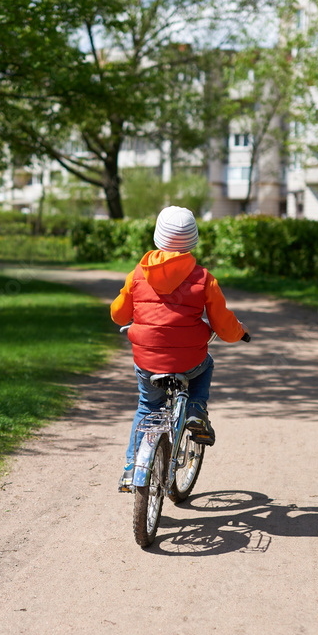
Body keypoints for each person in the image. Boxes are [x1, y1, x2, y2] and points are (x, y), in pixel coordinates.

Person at [110, 206, 249, 491]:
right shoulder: (204, 278)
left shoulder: (138, 273)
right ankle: (196, 408)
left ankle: (130, 469)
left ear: (157, 237)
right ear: (193, 240)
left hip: (147, 361)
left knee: (148, 406)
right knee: (206, 364)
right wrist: (240, 333)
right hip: (189, 359)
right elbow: (223, 326)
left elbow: (119, 315)